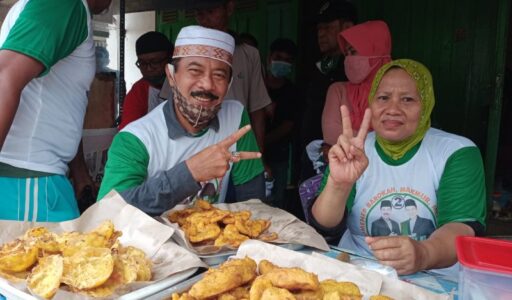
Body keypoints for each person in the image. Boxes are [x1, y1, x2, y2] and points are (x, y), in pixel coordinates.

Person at [310, 59, 486, 276]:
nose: (392, 109)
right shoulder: (355, 148)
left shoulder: (455, 152)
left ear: (426, 105)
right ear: (371, 103)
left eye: (408, 99)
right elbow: (323, 225)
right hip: (359, 270)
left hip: (434, 277)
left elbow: (462, 227)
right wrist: (339, 185)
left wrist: (423, 254)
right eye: (383, 98)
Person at [98, 25, 265, 216]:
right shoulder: (135, 139)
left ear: (229, 85)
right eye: (194, 71)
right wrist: (189, 173)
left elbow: (253, 205)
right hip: (149, 245)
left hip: (212, 244)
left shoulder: (235, 119)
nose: (207, 84)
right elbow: (107, 213)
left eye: (219, 75)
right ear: (171, 75)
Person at [0, 0, 112, 222]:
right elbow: (5, 77)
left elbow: (63, 99)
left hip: (35, 177)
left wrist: (79, 170)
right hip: (28, 180)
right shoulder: (63, 4)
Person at [192, 0, 272, 156]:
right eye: (199, 13)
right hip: (196, 150)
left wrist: (258, 155)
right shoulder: (185, 55)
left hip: (239, 149)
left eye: (211, 11)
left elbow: (257, 109)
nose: (205, 20)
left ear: (229, 8)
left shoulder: (248, 54)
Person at [299, 0, 357, 182]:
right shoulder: (320, 66)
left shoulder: (356, 69)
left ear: (347, 27)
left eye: (327, 27)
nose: (321, 34)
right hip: (312, 157)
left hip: (340, 159)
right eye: (318, 29)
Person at [322, 20, 392, 146]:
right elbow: (331, 135)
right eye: (347, 53)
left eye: (353, 52)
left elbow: (403, 134)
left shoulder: (398, 90)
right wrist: (380, 142)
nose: (348, 58)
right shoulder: (338, 90)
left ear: (376, 50)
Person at [263, 38, 299, 209]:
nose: (282, 63)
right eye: (279, 57)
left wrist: (262, 142)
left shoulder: (292, 92)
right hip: (251, 153)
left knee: (276, 201)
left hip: (278, 154)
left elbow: (288, 125)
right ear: (269, 57)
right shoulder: (257, 86)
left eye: (287, 60)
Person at [118, 31, 174, 129]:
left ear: (170, 59)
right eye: (142, 63)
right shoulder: (139, 91)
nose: (149, 68)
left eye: (155, 62)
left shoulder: (187, 85)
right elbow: (128, 132)